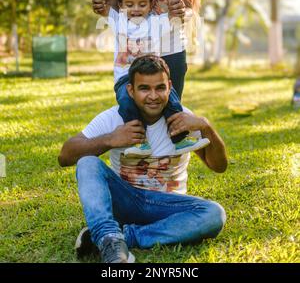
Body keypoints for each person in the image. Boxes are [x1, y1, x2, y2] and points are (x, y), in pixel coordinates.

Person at [58, 55, 227, 264]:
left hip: (168, 208)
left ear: (170, 87)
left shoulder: (183, 119)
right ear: (131, 90)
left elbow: (219, 166)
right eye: (144, 88)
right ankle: (109, 236)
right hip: (128, 201)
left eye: (160, 88)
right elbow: (65, 155)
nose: (153, 96)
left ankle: (118, 238)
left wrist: (205, 126)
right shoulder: (115, 118)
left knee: (214, 214)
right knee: (87, 162)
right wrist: (111, 139)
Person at [97, 0, 209, 156]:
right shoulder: (118, 20)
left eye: (142, 4)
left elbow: (176, 14)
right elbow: (101, 1)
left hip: (154, 77)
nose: (135, 9)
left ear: (150, 5)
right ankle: (140, 143)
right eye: (129, 4)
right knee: (126, 104)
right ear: (121, 6)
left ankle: (179, 140)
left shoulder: (157, 22)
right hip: (125, 77)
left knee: (173, 102)